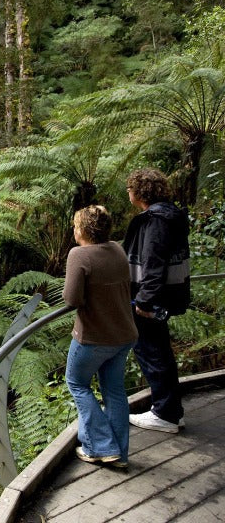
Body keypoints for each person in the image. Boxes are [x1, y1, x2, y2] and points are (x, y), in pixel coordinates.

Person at [63, 205, 138, 468]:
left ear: (83, 229)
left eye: (75, 225)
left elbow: (71, 299)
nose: (73, 230)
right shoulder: (116, 248)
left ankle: (100, 447)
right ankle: (119, 454)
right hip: (124, 333)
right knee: (115, 391)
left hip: (94, 338)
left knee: (77, 383)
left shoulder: (79, 255)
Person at [124, 168, 191, 434]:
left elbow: (153, 263)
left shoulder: (155, 221)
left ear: (140, 192)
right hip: (166, 294)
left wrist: (144, 300)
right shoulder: (170, 215)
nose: (128, 193)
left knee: (152, 353)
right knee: (160, 351)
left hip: (151, 299)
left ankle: (165, 413)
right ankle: (172, 411)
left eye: (130, 189)